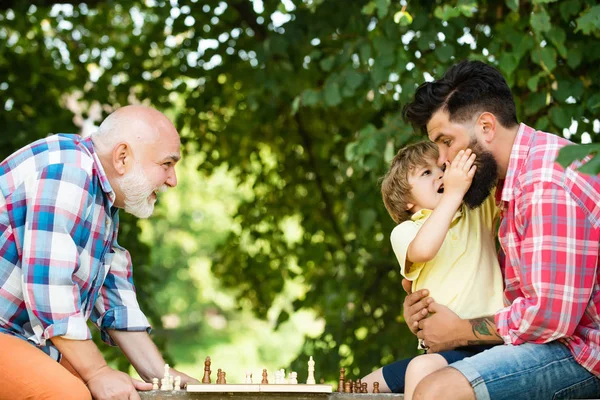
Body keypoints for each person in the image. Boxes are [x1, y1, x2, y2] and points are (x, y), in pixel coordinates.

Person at [401, 60, 600, 400]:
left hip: (585, 352)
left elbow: (549, 319)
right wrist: (424, 310)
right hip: (559, 343)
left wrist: (460, 331)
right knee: (423, 376)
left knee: (439, 392)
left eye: (447, 141)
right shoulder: (509, 184)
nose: (445, 160)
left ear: (487, 126)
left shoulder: (544, 185)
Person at [0, 105, 200, 400]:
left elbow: (115, 300)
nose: (173, 180)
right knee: (71, 395)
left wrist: (162, 376)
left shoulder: (101, 199)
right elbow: (48, 288)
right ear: (122, 157)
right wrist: (96, 372)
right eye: (167, 164)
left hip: (19, 336)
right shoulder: (68, 171)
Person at [361, 141, 504, 398]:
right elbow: (424, 250)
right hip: (441, 350)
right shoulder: (406, 232)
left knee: (420, 368)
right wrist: (451, 194)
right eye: (426, 173)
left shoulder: (476, 212)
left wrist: (460, 187)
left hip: (487, 342)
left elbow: (494, 166)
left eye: (442, 167)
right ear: (406, 201)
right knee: (360, 386)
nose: (440, 174)